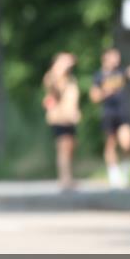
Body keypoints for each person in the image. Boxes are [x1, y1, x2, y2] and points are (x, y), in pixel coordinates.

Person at [89, 47, 130, 189]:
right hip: (109, 112)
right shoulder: (99, 76)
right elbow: (94, 96)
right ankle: (113, 173)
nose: (116, 59)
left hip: (123, 111)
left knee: (127, 143)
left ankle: (125, 171)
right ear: (105, 58)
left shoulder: (121, 72)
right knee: (111, 143)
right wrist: (106, 91)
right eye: (113, 56)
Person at [42, 52, 81, 191]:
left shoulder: (71, 79)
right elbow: (54, 89)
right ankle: (64, 179)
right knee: (63, 147)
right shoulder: (52, 77)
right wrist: (59, 68)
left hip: (70, 117)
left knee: (70, 147)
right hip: (58, 117)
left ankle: (68, 176)